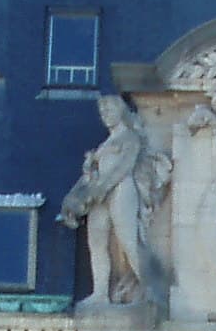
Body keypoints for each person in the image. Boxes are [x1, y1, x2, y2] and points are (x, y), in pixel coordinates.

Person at [61, 95, 165, 306]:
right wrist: (75, 195)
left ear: (121, 111)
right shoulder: (105, 144)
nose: (105, 115)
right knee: (97, 242)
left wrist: (102, 187)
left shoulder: (130, 138)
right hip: (99, 194)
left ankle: (150, 290)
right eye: (102, 112)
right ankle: (100, 293)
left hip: (120, 190)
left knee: (128, 240)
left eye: (109, 110)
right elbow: (90, 177)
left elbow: (124, 167)